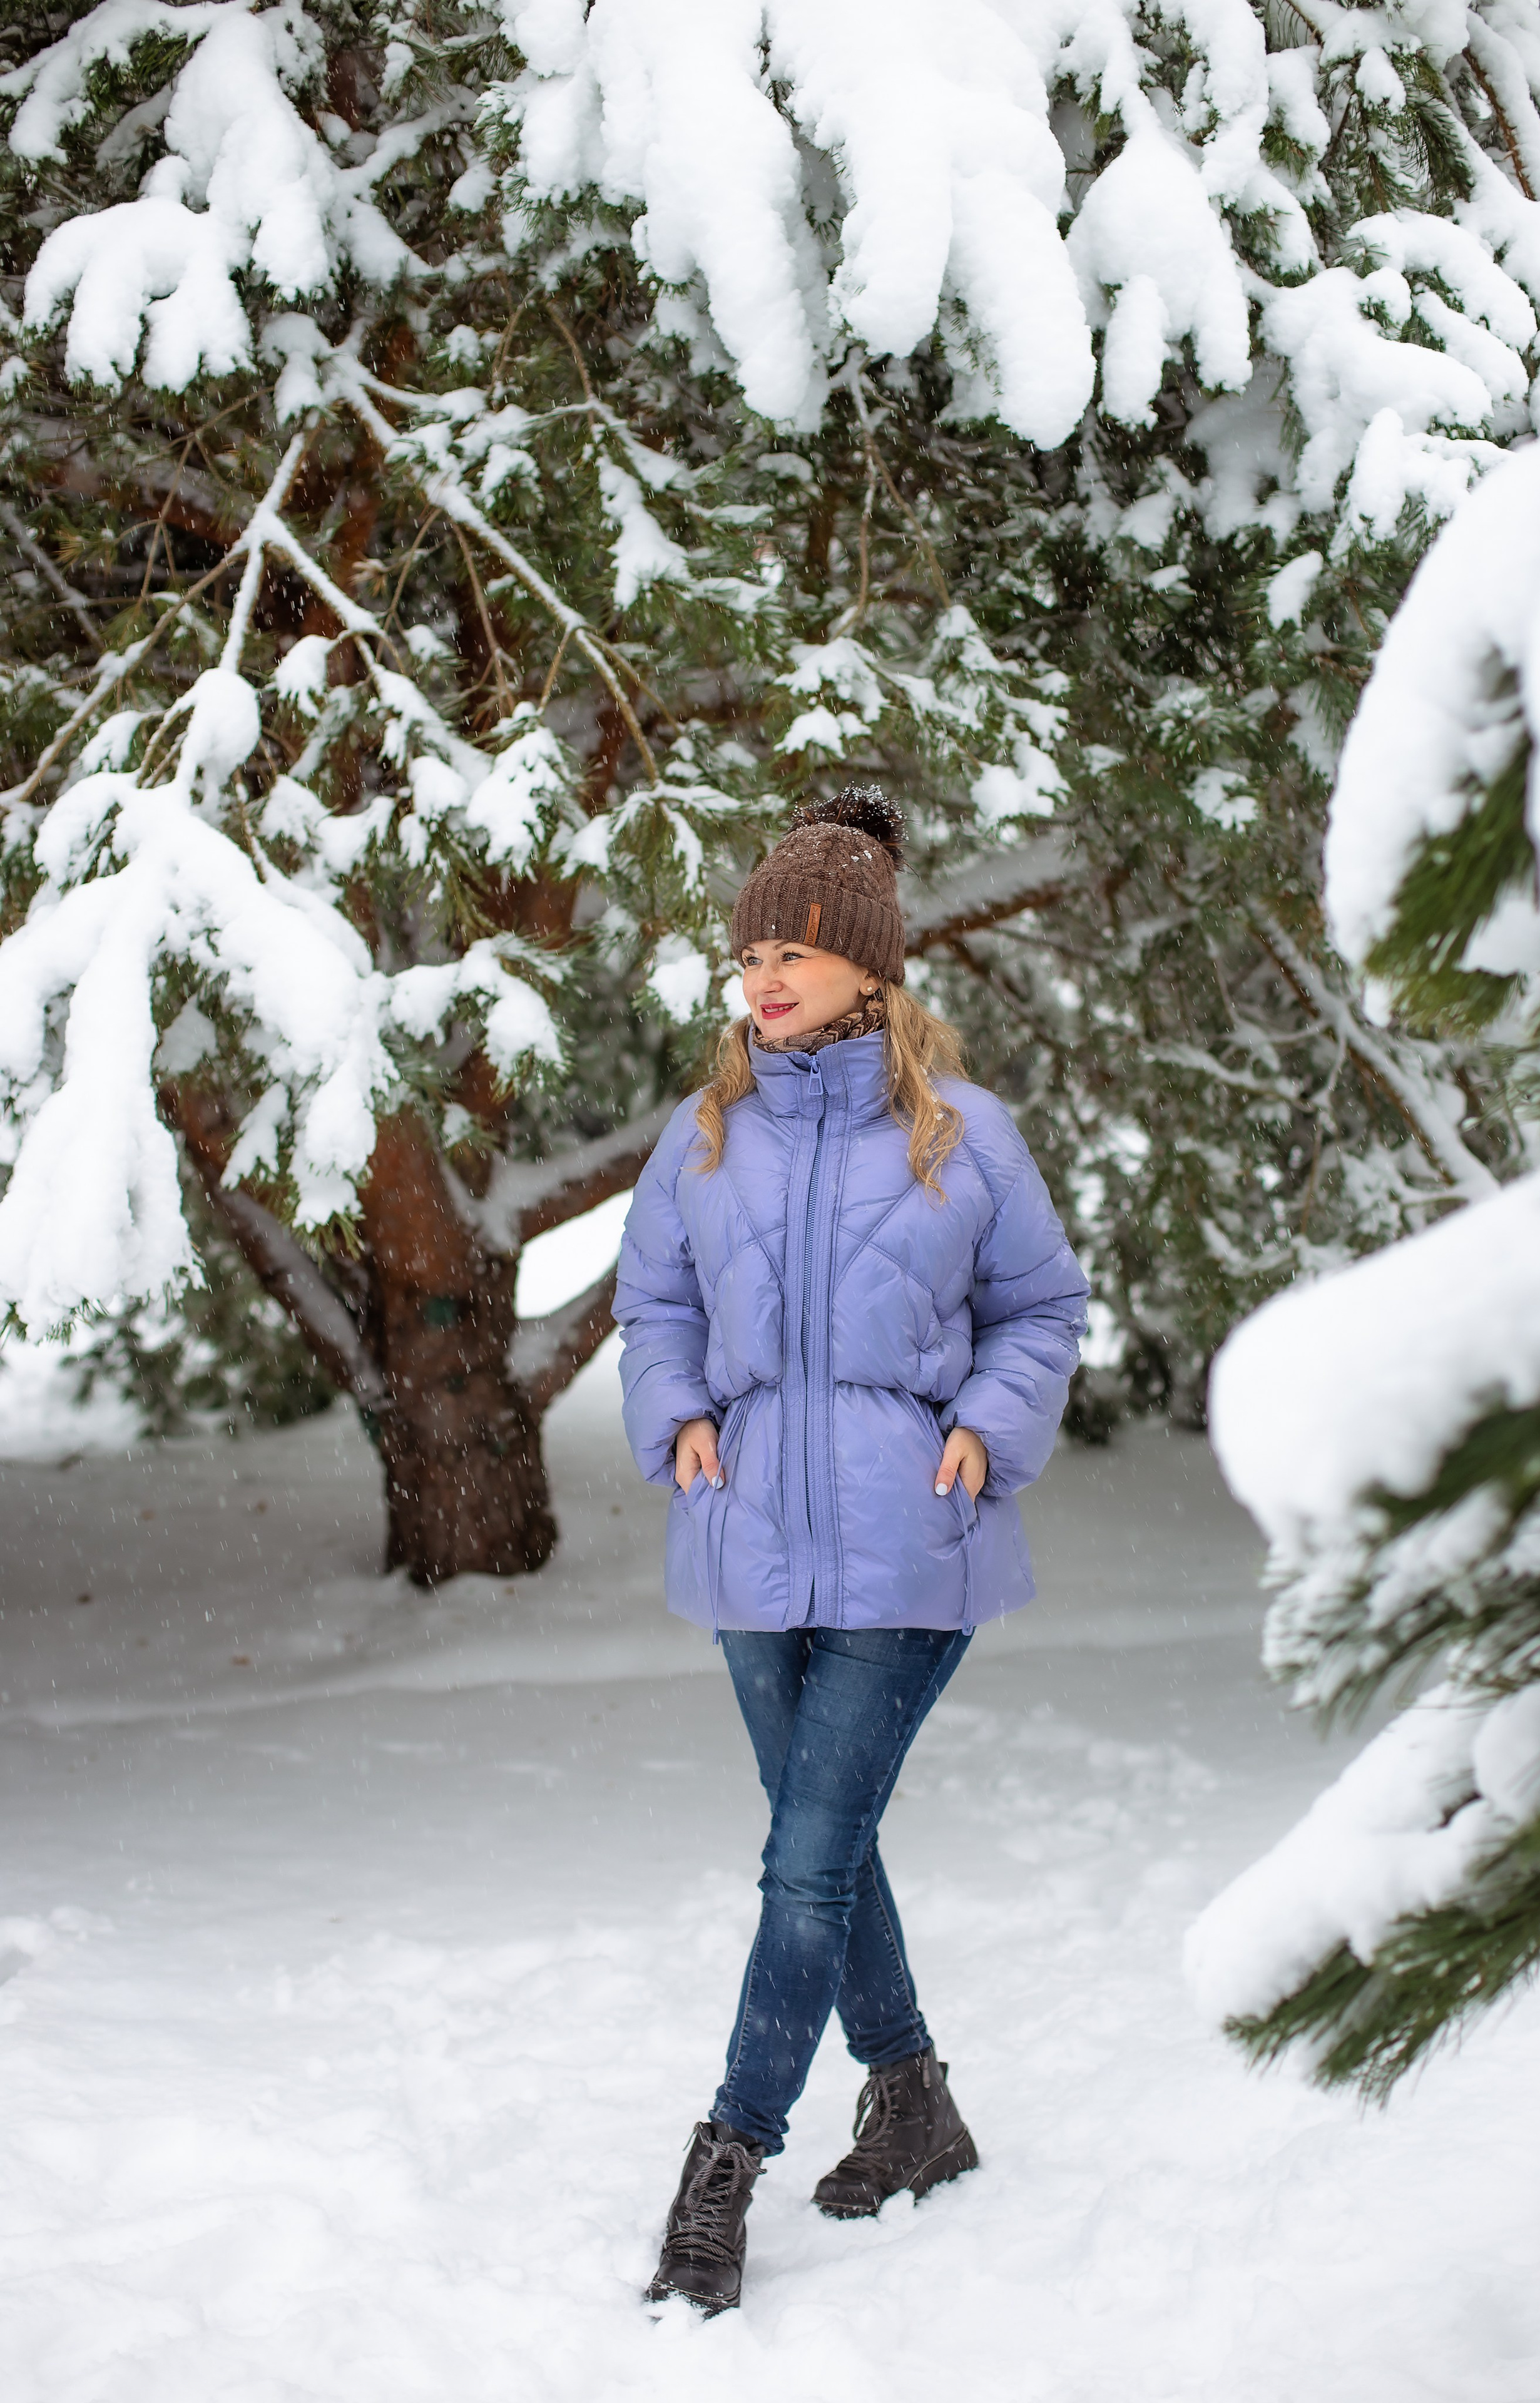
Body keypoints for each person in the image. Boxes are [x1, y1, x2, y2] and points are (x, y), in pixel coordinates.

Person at [614, 787, 1089, 2315]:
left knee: (804, 1864)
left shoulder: (964, 1136)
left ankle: (723, 2167)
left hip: (910, 1543)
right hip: (747, 1540)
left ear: (869, 971)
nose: (761, 977)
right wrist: (676, 1405)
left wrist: (989, 1425)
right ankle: (912, 2102)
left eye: (794, 952)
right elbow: (653, 1305)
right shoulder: (705, 1136)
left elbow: (1041, 1311)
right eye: (747, 950)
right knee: (829, 1842)